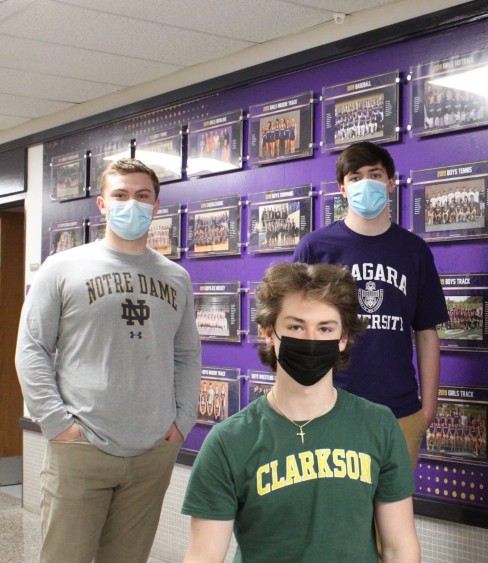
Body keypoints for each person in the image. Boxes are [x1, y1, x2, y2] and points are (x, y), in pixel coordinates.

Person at [15, 158, 201, 563]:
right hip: (81, 446)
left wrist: (180, 423)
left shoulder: (175, 277)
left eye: (141, 195)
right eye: (120, 195)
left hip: (153, 449)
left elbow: (187, 355)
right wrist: (57, 424)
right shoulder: (62, 267)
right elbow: (31, 348)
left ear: (156, 205)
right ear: (101, 204)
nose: (130, 204)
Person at [181, 262, 420, 562]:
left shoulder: (378, 425)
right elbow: (204, 557)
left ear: (343, 338)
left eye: (325, 328)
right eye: (295, 326)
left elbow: (401, 549)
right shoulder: (228, 442)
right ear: (269, 332)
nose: (311, 340)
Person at [293, 141, 449, 465]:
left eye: (375, 174)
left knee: (394, 513)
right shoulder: (315, 249)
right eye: (355, 177)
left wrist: (428, 409)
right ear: (342, 188)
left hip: (399, 412)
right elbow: (293, 332)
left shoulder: (414, 250)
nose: (365, 183)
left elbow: (426, 332)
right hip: (328, 409)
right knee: (333, 513)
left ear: (391, 182)